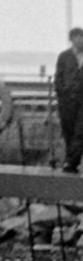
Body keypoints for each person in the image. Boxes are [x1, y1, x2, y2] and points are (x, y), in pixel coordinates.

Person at [57, 28, 83, 173]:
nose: (80, 40)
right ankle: (72, 162)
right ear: (71, 39)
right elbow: (58, 77)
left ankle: (70, 162)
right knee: (69, 131)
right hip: (67, 100)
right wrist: (61, 94)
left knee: (80, 131)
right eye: (77, 37)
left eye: (82, 37)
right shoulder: (64, 56)